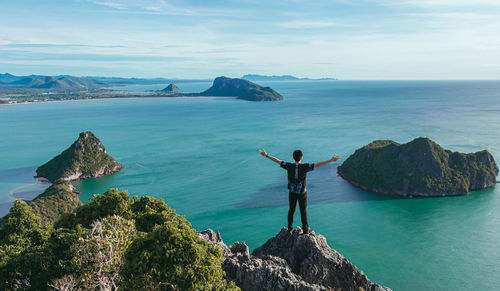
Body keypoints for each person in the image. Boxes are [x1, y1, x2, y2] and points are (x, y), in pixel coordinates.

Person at [258, 149, 341, 234]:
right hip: (302, 193)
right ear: (301, 157)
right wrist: (331, 160)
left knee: (291, 210)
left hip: (292, 193)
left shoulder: (289, 166)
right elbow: (318, 164)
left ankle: (290, 228)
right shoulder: (305, 167)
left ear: (293, 158)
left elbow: (277, 161)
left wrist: (266, 155)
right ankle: (305, 230)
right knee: (303, 211)